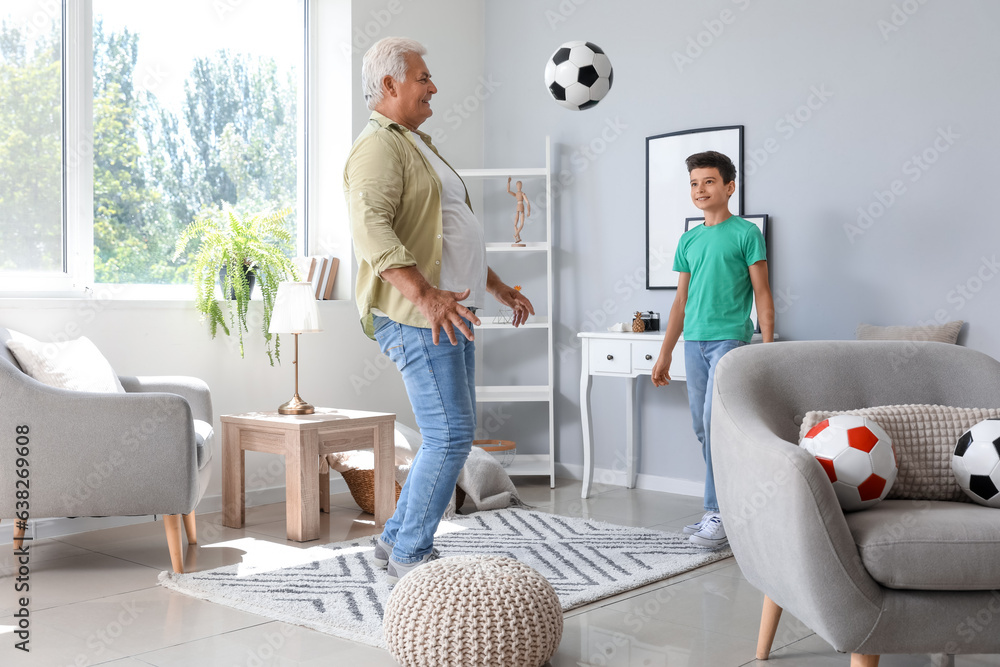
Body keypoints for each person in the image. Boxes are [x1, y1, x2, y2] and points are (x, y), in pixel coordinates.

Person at [344, 37, 534, 583]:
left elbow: (449, 232)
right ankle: (411, 555)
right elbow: (371, 229)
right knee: (451, 435)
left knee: (449, 431)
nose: (434, 87)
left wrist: (494, 285)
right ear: (389, 84)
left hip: (451, 310)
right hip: (417, 314)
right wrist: (424, 295)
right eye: (423, 77)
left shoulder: (416, 142)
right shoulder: (377, 147)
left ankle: (394, 539)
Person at [651, 150, 774, 549]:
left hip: (729, 341)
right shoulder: (689, 240)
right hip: (693, 342)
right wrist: (665, 351)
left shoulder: (745, 234)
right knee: (703, 428)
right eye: (693, 183)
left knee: (717, 423)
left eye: (708, 181)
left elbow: (763, 294)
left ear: (729, 187)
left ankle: (716, 512)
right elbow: (679, 303)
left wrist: (767, 350)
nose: (700, 189)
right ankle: (730, 508)